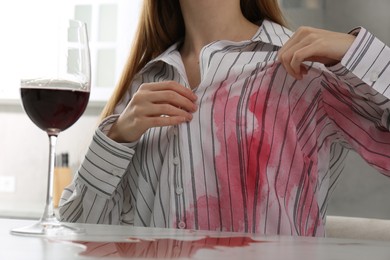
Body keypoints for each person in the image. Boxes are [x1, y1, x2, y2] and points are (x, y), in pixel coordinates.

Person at [59, 0, 390, 236]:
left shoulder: (306, 68)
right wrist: (115, 137)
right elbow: (78, 230)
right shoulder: (142, 85)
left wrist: (357, 52)